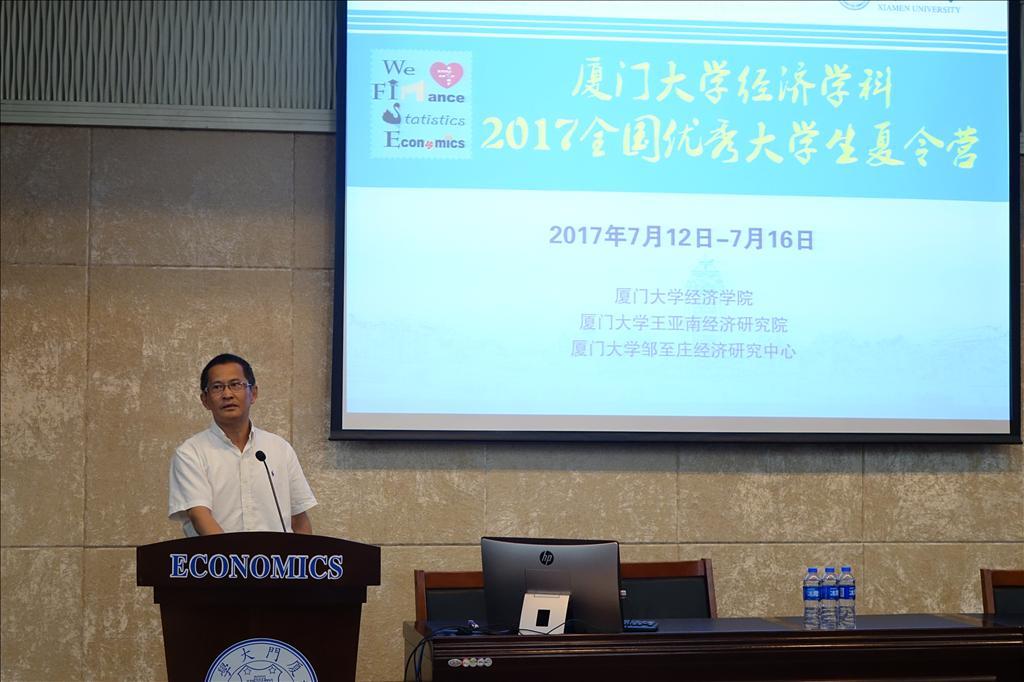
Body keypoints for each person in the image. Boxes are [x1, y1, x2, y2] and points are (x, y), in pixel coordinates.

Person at [168, 353, 317, 536]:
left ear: (253, 393)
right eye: (217, 387)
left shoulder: (279, 449)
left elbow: (299, 520)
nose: (227, 394)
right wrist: (236, 555)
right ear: (205, 400)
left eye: (236, 385)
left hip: (277, 555)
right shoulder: (190, 453)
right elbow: (200, 516)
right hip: (216, 555)